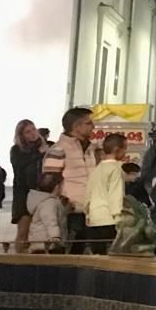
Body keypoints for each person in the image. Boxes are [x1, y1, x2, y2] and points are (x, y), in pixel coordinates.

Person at [46, 107, 96, 249]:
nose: (93, 127)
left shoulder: (90, 149)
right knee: (70, 253)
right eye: (88, 123)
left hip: (91, 211)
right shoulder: (59, 149)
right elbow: (49, 183)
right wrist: (64, 202)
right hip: (71, 212)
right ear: (76, 126)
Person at [83, 134, 129, 255]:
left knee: (98, 255)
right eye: (125, 149)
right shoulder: (116, 168)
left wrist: (87, 212)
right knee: (113, 256)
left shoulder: (97, 169)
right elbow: (116, 193)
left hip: (94, 217)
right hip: (110, 219)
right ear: (117, 150)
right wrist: (118, 216)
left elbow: (88, 193)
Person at [9, 119, 48, 248]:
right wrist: (39, 153)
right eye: (27, 132)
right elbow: (20, 167)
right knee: (23, 232)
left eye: (33, 129)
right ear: (21, 135)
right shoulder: (16, 150)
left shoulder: (47, 146)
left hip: (44, 192)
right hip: (24, 193)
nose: (32, 134)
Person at [25, 173, 69, 252]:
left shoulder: (48, 201)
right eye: (62, 185)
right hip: (46, 244)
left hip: (42, 243)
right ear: (57, 187)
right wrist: (55, 237)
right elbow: (50, 221)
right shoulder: (49, 203)